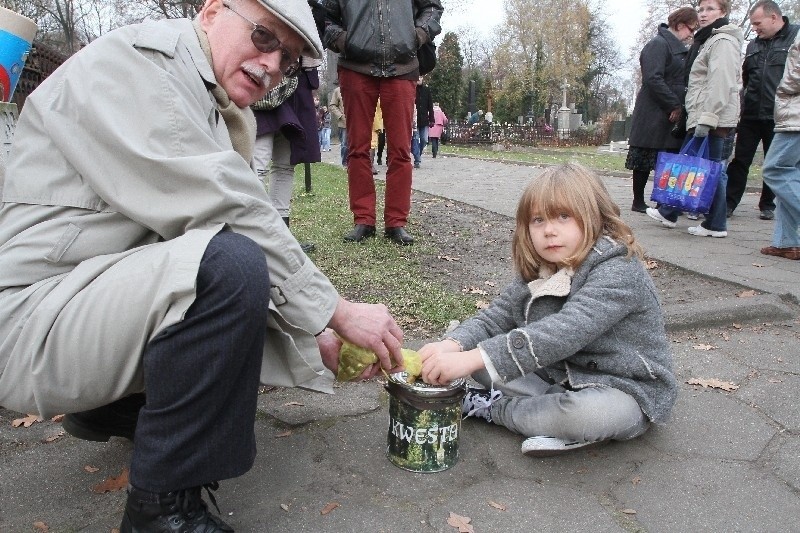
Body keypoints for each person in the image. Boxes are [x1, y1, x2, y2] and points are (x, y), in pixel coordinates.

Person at [0, 0, 406, 529]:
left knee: (226, 261)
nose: (271, 67)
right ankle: (162, 511)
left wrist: (315, 338)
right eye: (264, 38)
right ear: (213, 11)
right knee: (229, 263)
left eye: (287, 62)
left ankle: (119, 405)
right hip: (28, 322)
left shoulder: (205, 97)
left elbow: (196, 239)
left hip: (74, 301)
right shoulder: (142, 65)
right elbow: (230, 214)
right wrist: (335, 311)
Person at [418, 163, 677, 457]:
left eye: (563, 216)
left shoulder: (619, 268)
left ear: (594, 216)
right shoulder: (543, 268)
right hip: (557, 376)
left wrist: (475, 357)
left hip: (623, 390)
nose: (549, 231)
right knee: (469, 353)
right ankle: (550, 418)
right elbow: (497, 316)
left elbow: (565, 330)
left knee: (588, 416)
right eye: (538, 220)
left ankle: (494, 408)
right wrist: (453, 345)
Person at [323, 0, 444, 245]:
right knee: (357, 147)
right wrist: (344, 40)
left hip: (401, 67)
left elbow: (432, 7)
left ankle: (396, 222)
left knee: (400, 149)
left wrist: (418, 35)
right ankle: (363, 219)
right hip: (355, 67)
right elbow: (324, 14)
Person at [647, 0, 743, 238]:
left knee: (710, 169)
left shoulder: (722, 41)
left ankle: (714, 223)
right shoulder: (709, 40)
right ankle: (673, 212)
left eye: (710, 9)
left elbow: (721, 82)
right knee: (703, 166)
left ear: (723, 12)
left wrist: (708, 118)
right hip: (705, 114)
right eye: (700, 9)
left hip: (712, 116)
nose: (703, 14)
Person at [726, 0, 799, 220]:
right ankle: (729, 203)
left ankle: (768, 204)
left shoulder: (795, 38)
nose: (755, 28)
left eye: (758, 23)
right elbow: (745, 78)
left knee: (774, 162)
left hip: (780, 114)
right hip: (751, 113)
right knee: (740, 160)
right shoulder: (753, 45)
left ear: (774, 17)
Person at [626, 7, 699, 213]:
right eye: (691, 29)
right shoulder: (658, 44)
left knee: (666, 157)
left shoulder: (678, 48)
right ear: (680, 25)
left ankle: (662, 200)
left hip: (667, 113)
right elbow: (653, 78)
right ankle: (638, 201)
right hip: (653, 111)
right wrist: (673, 104)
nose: (691, 35)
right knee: (644, 155)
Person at [252, 55, 322, 254]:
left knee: (284, 164)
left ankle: (282, 237)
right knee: (257, 164)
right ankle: (251, 234)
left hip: (295, 82)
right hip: (264, 76)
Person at [759, 30, 800, 260]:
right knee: (792, 175)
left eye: (757, 22)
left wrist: (783, 89)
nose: (755, 28)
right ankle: (788, 241)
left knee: (775, 169)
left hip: (795, 113)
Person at [412, 76, 434, 169]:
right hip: (415, 120)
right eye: (417, 77)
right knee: (416, 140)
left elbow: (430, 106)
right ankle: (417, 159)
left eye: (420, 77)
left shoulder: (426, 90)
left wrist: (432, 119)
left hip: (424, 119)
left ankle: (418, 154)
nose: (419, 79)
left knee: (424, 139)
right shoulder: (412, 89)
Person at [328, 81, 347, 166]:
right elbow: (332, 105)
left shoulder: (357, 88)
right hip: (344, 123)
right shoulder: (338, 90)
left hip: (357, 122)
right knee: (345, 144)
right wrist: (341, 116)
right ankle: (345, 163)